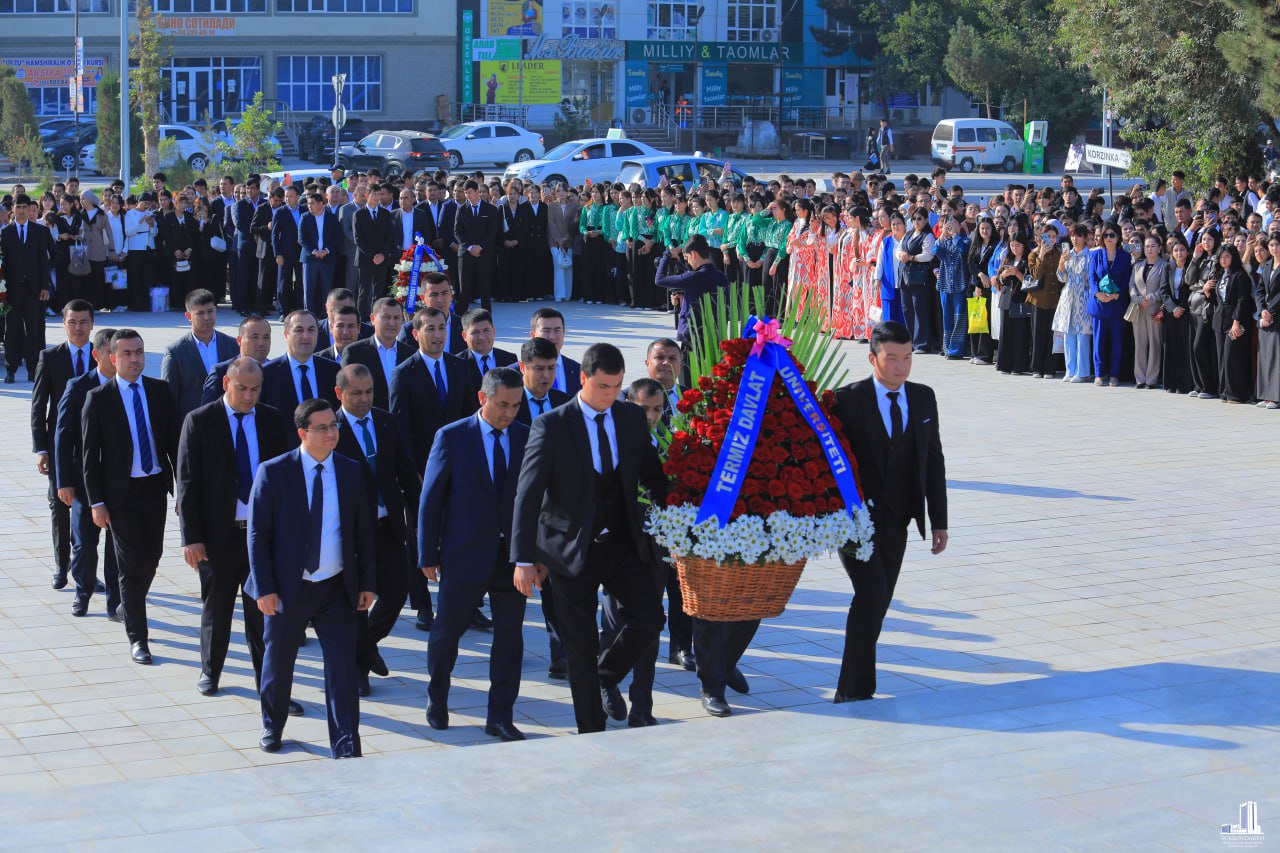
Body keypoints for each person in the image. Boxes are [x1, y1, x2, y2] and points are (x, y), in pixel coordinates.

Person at [511, 343, 668, 734]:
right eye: (602, 386)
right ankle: (591, 732)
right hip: (569, 550)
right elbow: (527, 495)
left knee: (649, 618)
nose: (610, 395)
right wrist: (523, 559)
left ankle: (602, 676)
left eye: (616, 386)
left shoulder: (631, 418)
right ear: (583, 379)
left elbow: (653, 476)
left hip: (622, 543)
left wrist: (684, 519)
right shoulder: (551, 425)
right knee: (579, 644)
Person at [247, 398, 376, 758]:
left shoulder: (350, 471)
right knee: (278, 662)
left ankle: (346, 741)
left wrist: (368, 583)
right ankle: (273, 726)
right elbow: (257, 536)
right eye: (322, 428)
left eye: (334, 425)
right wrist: (265, 588)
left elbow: (364, 532)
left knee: (342, 669)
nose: (331, 433)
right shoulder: (274, 472)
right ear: (302, 433)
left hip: (337, 588)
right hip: (288, 588)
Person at [831, 322, 948, 701]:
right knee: (871, 593)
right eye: (892, 358)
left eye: (908, 358)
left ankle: (852, 687)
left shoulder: (923, 397)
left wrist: (939, 521)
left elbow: (933, 461)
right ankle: (855, 690)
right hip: (855, 522)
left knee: (879, 602)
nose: (901, 367)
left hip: (898, 519)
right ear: (873, 358)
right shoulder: (847, 400)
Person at [176, 357, 298, 705]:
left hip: (261, 536)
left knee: (264, 613)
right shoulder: (200, 421)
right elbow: (187, 484)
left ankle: (269, 684)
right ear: (226, 384)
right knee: (217, 608)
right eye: (242, 388)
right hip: (219, 535)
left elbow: (287, 478)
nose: (248, 396)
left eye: (255, 389)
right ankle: (210, 671)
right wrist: (191, 538)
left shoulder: (272, 420)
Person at [419, 367, 530, 741]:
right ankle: (438, 697)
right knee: (447, 632)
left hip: (511, 558)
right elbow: (431, 498)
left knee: (510, 639)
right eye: (503, 405)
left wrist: (534, 556)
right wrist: (427, 553)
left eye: (516, 405)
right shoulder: (452, 437)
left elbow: (536, 500)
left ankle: (500, 715)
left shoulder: (525, 436)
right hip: (464, 553)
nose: (509, 413)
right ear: (483, 398)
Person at [82, 329, 180, 665]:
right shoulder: (99, 398)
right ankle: (138, 638)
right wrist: (96, 502)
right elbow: (90, 457)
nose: (135, 359)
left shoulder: (160, 391)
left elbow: (175, 444)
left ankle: (129, 602)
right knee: (129, 565)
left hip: (154, 487)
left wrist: (183, 491)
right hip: (120, 495)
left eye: (139, 352)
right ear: (113, 358)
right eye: (127, 354)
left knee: (152, 555)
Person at [333, 365, 419, 696]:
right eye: (356, 393)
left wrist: (421, 519)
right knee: (358, 600)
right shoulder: (332, 429)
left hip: (388, 526)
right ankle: (358, 669)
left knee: (397, 592)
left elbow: (406, 472)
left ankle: (367, 644)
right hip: (352, 532)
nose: (364, 399)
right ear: (340, 393)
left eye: (369, 391)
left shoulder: (386, 422)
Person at [54, 327, 120, 618]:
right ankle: (83, 592)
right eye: (112, 353)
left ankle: (115, 602)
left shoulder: (129, 387)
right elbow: (63, 436)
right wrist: (64, 481)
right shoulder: (78, 386)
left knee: (116, 546)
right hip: (83, 482)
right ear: (97, 355)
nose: (119, 359)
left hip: (119, 483)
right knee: (83, 544)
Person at [32, 300, 94, 589]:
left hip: (92, 446)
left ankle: (86, 569)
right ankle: (61, 564)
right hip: (59, 445)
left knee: (90, 508)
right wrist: (41, 449)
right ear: (63, 324)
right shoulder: (50, 357)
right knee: (59, 506)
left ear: (92, 324)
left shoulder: (102, 355)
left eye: (83, 322)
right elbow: (38, 406)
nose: (78, 328)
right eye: (72, 322)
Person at [655, 235, 730, 384]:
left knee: (687, 384)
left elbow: (659, 279)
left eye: (687, 257)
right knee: (711, 381)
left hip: (692, 337)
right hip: (714, 336)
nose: (688, 261)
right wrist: (684, 298)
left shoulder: (693, 277)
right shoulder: (722, 277)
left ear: (694, 254)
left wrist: (666, 255)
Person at [160, 289, 238, 422]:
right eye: (200, 313)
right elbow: (169, 397)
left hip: (228, 420)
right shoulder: (175, 352)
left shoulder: (232, 345)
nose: (207, 317)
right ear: (188, 316)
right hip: (193, 423)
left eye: (210, 311)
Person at [2, 195, 53, 383]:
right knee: (12, 331)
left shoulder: (39, 231)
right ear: (12, 209)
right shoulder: (6, 233)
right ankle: (11, 369)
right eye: (18, 207)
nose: (22, 211)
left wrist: (44, 286)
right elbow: (3, 262)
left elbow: (45, 261)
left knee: (33, 331)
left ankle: (33, 370)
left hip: (34, 290)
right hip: (12, 291)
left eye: (25, 207)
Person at [340, 297, 414, 411]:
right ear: (373, 319)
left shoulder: (411, 354)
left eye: (396, 318)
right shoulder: (354, 352)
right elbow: (348, 392)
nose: (392, 323)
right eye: (386, 317)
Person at [259, 310, 340, 411]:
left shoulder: (333, 370)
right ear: (286, 335)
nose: (306, 336)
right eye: (299, 330)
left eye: (311, 330)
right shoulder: (267, 374)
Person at [1088, 225, 1134, 387]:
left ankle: (1114, 374)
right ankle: (1099, 374)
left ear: (1118, 237)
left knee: (1117, 342)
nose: (1109, 238)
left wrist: (1116, 294)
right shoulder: (1095, 254)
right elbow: (1092, 276)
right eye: (1106, 235)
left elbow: (1127, 278)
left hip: (1117, 304)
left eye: (1112, 235)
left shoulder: (1125, 256)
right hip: (1099, 304)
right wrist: (1097, 293)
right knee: (1098, 341)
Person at [1209, 245, 1256, 403]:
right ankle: (1224, 392)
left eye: (1227, 256)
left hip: (1235, 320)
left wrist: (1237, 321)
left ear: (1234, 257)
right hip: (1220, 320)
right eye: (1221, 257)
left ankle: (1237, 394)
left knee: (1232, 357)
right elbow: (1218, 299)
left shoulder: (1240, 275)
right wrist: (1208, 292)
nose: (1223, 259)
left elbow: (1243, 300)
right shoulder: (1221, 274)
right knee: (1222, 357)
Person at [1052, 224, 1094, 382]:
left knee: (1082, 336)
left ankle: (1082, 371)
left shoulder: (1089, 256)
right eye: (1073, 236)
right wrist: (1061, 263)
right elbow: (1061, 278)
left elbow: (1091, 279)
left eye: (1078, 236)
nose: (1075, 239)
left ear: (1085, 238)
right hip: (1068, 298)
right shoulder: (1067, 254)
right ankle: (1070, 370)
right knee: (1068, 335)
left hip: (1083, 298)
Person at [201, 314, 274, 406]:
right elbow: (207, 411)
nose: (261, 343)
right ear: (239, 340)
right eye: (255, 337)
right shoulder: (221, 372)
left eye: (266, 337)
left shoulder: (277, 371)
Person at [453, 180, 499, 313]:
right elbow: (457, 232)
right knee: (464, 288)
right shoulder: (461, 209)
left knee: (485, 288)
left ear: (477, 192)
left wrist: (480, 247)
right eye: (465, 193)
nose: (467, 196)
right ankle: (460, 317)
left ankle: (486, 316)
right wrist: (469, 247)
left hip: (484, 253)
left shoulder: (491, 209)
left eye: (470, 192)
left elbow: (493, 232)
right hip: (466, 254)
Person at [1128, 236, 1168, 389]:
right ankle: (1140, 378)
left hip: (1154, 309)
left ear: (1159, 247)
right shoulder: (1138, 266)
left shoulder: (1164, 265)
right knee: (1139, 344)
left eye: (1152, 246)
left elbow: (1164, 288)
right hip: (1138, 308)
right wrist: (1137, 298)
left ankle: (1151, 379)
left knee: (1155, 343)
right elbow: (1131, 285)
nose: (1149, 249)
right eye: (1147, 246)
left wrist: (1150, 298)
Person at [897, 209, 938, 353]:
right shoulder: (908, 234)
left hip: (920, 277)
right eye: (913, 219)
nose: (916, 221)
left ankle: (922, 343)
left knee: (920, 309)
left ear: (926, 220)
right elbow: (898, 249)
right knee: (907, 308)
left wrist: (912, 258)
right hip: (905, 275)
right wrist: (902, 254)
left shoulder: (928, 236)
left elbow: (929, 255)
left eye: (919, 218)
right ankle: (910, 342)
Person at [1158, 238, 1195, 395]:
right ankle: (1171, 382)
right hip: (1171, 313)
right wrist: (1173, 308)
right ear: (1171, 253)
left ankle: (1184, 383)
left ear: (1187, 251)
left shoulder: (1192, 267)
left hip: (1186, 313)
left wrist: (1182, 307)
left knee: (1184, 348)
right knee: (1170, 347)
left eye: (1182, 249)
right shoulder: (1168, 268)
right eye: (1176, 250)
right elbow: (1164, 291)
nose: (1179, 253)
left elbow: (1192, 289)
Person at [1025, 224, 1063, 378]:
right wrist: (1041, 255)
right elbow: (1035, 275)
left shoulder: (1059, 253)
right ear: (1041, 238)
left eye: (1054, 237)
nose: (1051, 240)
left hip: (1055, 300)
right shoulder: (1033, 254)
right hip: (1038, 300)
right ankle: (1036, 368)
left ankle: (1049, 368)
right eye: (1048, 236)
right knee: (1038, 335)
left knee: (1051, 335)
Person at [300, 191, 341, 316]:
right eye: (308, 203)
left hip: (327, 259)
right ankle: (309, 316)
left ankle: (325, 316)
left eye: (312, 203)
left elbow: (338, 237)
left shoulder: (331, 218)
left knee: (326, 290)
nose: (309, 206)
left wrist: (326, 250)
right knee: (309, 290)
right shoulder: (305, 217)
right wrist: (314, 251)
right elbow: (302, 238)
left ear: (321, 204)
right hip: (310, 259)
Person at [354, 189, 393, 318]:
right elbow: (358, 239)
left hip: (382, 259)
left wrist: (382, 254)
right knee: (363, 292)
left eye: (379, 194)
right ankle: (361, 320)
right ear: (366, 195)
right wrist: (373, 256)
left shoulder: (385, 213)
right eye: (374, 194)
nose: (377, 197)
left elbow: (389, 237)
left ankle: (376, 318)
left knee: (378, 292)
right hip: (365, 259)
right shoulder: (359, 214)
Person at [458, 307, 517, 387]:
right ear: (464, 336)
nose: (482, 337)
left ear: (493, 331)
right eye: (475, 332)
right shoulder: (457, 364)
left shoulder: (510, 360)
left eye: (486, 330)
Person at [529, 307, 582, 396]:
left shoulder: (578, 371)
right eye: (546, 331)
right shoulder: (516, 373)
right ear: (533, 335)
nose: (552, 337)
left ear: (564, 333)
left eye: (557, 330)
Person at [1254, 234, 1280, 408]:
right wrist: (1262, 310)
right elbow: (1259, 291)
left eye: (1277, 244)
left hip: (1277, 316)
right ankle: (1265, 394)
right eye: (1271, 245)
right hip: (1266, 316)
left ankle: (1276, 397)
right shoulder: (1267, 265)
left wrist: (1270, 311)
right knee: (1264, 356)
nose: (1274, 248)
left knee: (1276, 357)